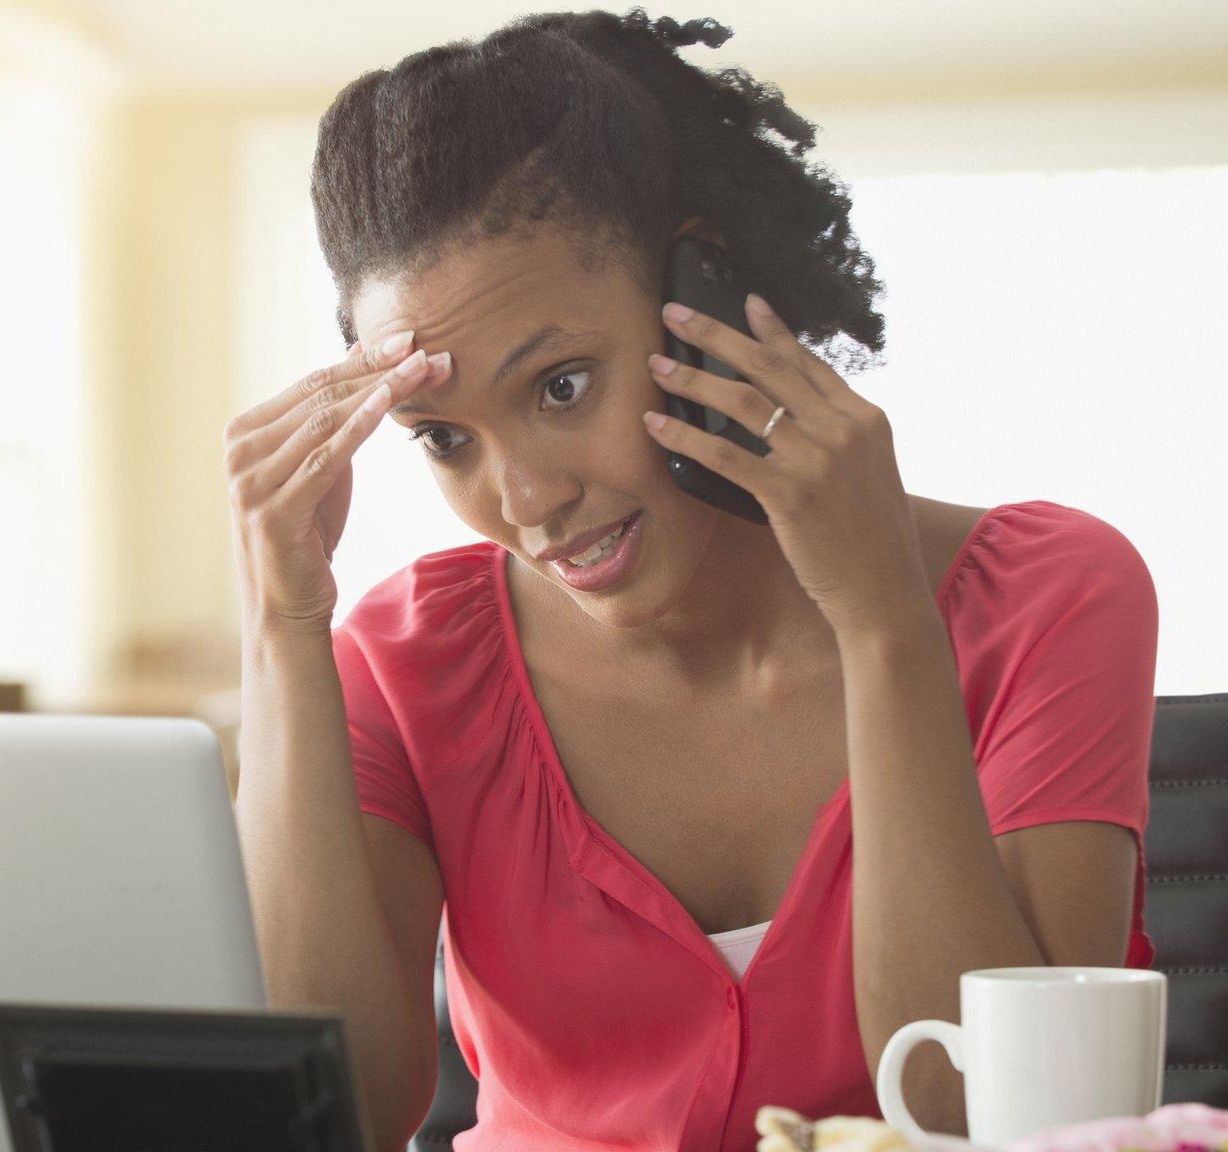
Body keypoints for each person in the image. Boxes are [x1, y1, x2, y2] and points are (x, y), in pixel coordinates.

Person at [222, 10, 1159, 1152]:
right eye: (442, 438)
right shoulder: (400, 658)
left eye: (561, 386)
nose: (522, 500)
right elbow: (334, 1121)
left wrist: (880, 623)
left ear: (706, 304)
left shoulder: (1046, 595)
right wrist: (281, 624)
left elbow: (998, 1124)